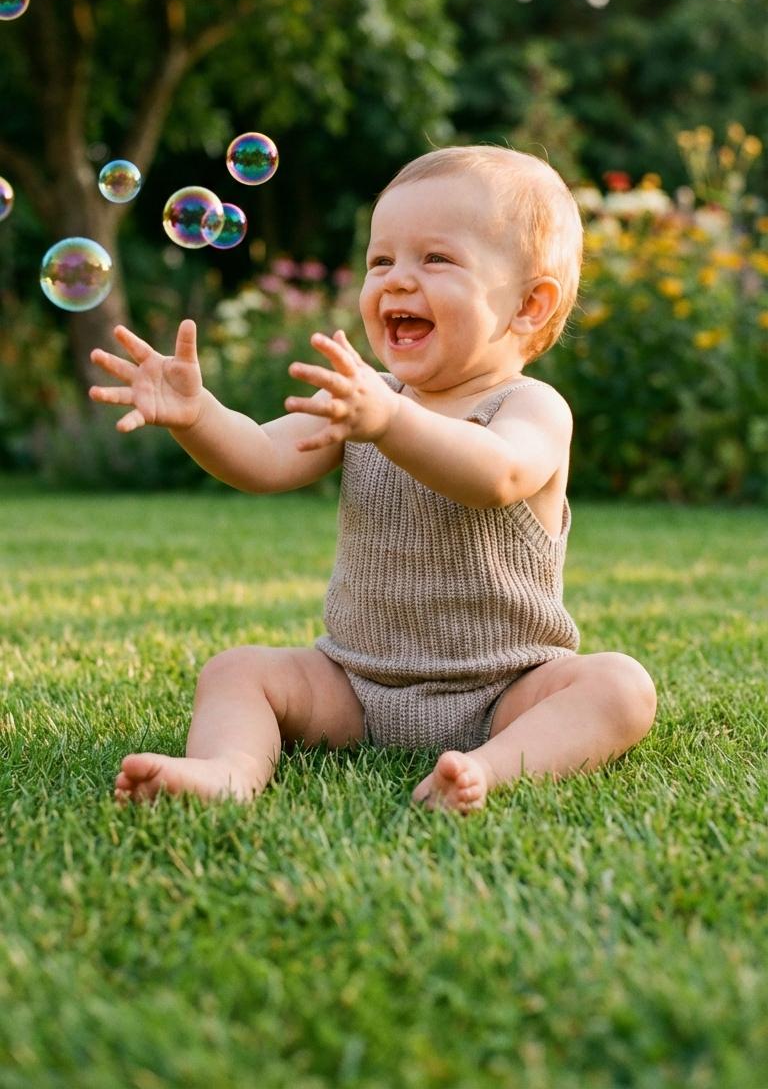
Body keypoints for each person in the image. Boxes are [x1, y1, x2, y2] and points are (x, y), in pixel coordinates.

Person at [90, 145, 657, 812]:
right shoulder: (366, 401)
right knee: (236, 669)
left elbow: (498, 475)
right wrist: (198, 416)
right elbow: (263, 461)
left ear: (530, 305)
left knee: (621, 687)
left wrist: (389, 420)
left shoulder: (529, 407)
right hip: (355, 685)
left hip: (507, 688)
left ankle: (488, 769)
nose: (396, 280)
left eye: (435, 259)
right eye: (380, 260)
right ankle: (227, 772)